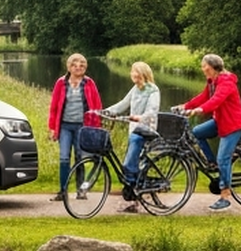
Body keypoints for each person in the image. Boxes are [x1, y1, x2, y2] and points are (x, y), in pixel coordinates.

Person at [179, 53, 241, 211]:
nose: (203, 69)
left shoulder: (226, 82)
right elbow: (204, 96)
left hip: (233, 124)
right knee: (197, 132)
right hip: (220, 121)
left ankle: (225, 197)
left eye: (205, 66)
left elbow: (216, 100)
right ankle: (212, 163)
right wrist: (186, 106)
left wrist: (199, 110)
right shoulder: (212, 81)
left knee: (223, 158)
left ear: (213, 67)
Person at [102, 61, 160, 212]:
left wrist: (140, 117)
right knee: (133, 163)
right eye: (132, 72)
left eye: (136, 72)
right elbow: (123, 103)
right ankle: (135, 200)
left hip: (145, 130)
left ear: (143, 74)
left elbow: (152, 110)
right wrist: (106, 111)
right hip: (134, 131)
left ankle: (134, 193)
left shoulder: (152, 90)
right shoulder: (135, 89)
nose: (133, 74)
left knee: (129, 164)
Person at [46, 52, 102, 200]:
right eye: (75, 65)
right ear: (69, 67)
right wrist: (52, 128)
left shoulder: (89, 83)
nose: (79, 67)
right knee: (64, 158)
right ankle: (63, 191)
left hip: (82, 127)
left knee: (80, 158)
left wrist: (96, 128)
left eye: (82, 65)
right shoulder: (61, 83)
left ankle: (80, 191)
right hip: (64, 126)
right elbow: (54, 107)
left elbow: (97, 106)